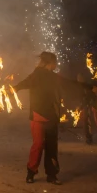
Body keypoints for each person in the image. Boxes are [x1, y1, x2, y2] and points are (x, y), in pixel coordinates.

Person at [14, 51, 63, 185]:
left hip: (52, 116)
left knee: (52, 146)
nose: (56, 64)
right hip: (38, 115)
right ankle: (31, 172)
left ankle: (52, 175)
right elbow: (24, 83)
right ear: (49, 63)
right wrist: (14, 88)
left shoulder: (55, 77)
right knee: (38, 145)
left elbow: (66, 86)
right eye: (55, 62)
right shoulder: (36, 75)